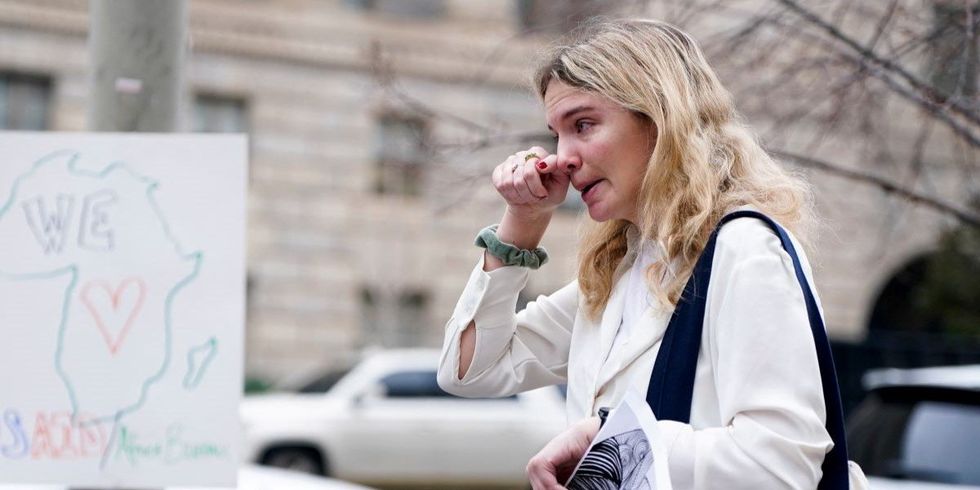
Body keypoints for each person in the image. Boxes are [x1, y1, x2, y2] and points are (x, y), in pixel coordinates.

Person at [436, 18, 835, 489]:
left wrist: (613, 443)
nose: (562, 156)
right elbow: (470, 371)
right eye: (556, 133)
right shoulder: (618, 272)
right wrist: (522, 222)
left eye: (583, 124)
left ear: (660, 120)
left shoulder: (744, 250)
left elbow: (782, 466)